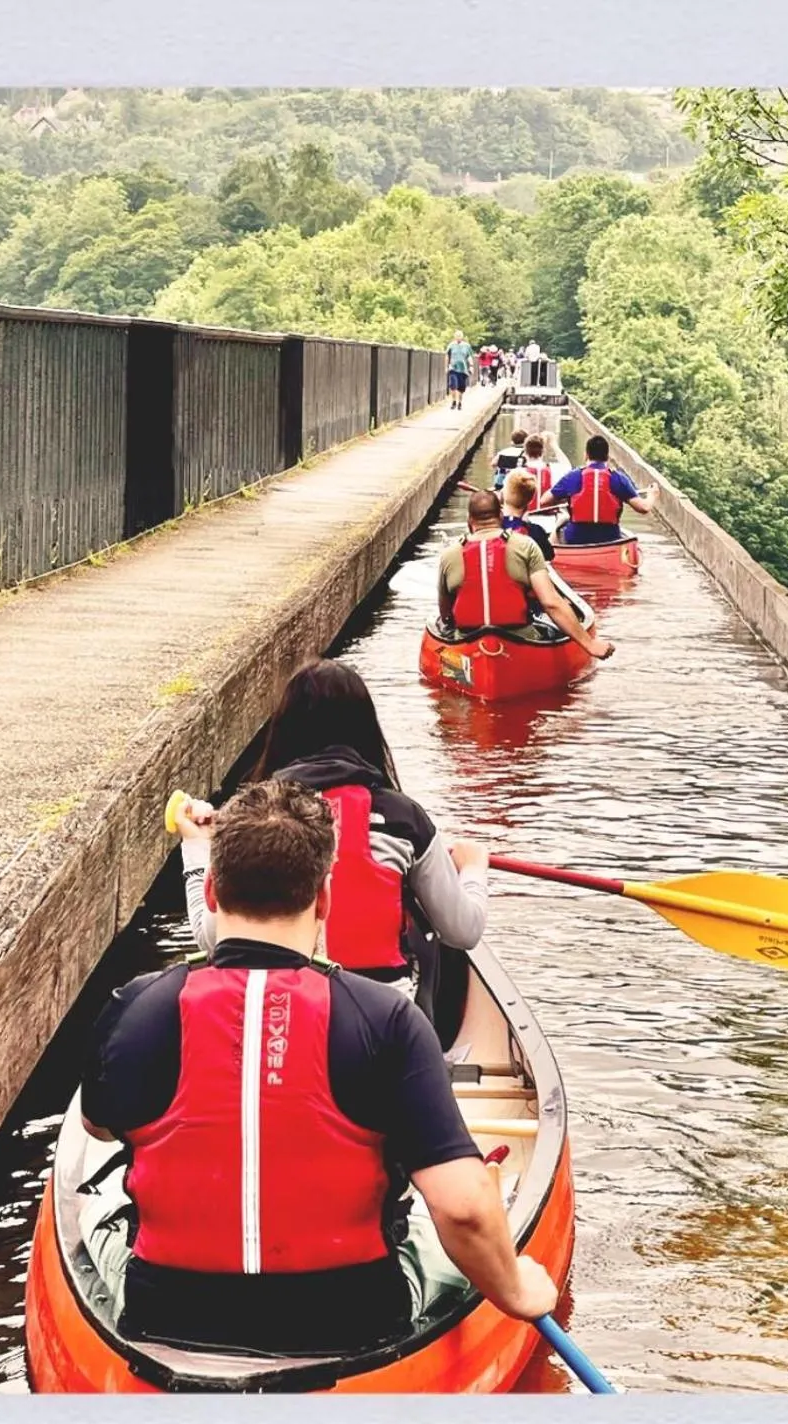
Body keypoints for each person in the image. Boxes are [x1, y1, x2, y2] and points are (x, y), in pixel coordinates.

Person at [81, 779, 558, 1355]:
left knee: (96, 1204)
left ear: (209, 891)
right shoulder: (388, 1018)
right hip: (353, 1318)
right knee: (451, 1225)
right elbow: (462, 1207)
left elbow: (99, 1128)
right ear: (324, 898)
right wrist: (515, 1290)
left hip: (167, 1313)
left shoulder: (135, 1004)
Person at [172, 659, 487, 1028]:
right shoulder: (403, 820)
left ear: (284, 729)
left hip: (281, 1015)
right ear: (367, 730)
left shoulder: (253, 816)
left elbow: (212, 939)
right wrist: (473, 867)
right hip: (380, 1016)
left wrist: (196, 847)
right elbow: (463, 930)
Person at [438, 489, 612, 661]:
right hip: (519, 635)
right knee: (551, 630)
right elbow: (551, 603)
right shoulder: (526, 546)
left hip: (467, 640)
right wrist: (589, 644)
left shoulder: (448, 555)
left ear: (470, 521)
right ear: (500, 516)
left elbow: (445, 613)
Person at [539, 432, 659, 546]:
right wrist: (652, 494)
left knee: (559, 524)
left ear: (586, 455)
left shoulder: (572, 476)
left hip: (576, 538)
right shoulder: (618, 479)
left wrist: (564, 497)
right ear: (607, 456)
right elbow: (644, 508)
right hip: (610, 538)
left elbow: (544, 501)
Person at [501, 471, 556, 562]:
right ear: (530, 501)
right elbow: (549, 556)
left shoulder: (493, 527)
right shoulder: (537, 532)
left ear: (503, 495)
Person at [445, 330, 475, 409]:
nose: (458, 337)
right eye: (457, 336)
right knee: (453, 385)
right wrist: (446, 366)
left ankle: (460, 402)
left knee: (461, 388)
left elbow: (469, 356)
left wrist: (471, 366)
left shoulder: (466, 346)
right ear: (454, 337)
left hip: (463, 369)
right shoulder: (451, 345)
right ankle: (454, 401)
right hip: (453, 368)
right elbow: (447, 355)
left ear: (462, 337)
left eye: (460, 336)